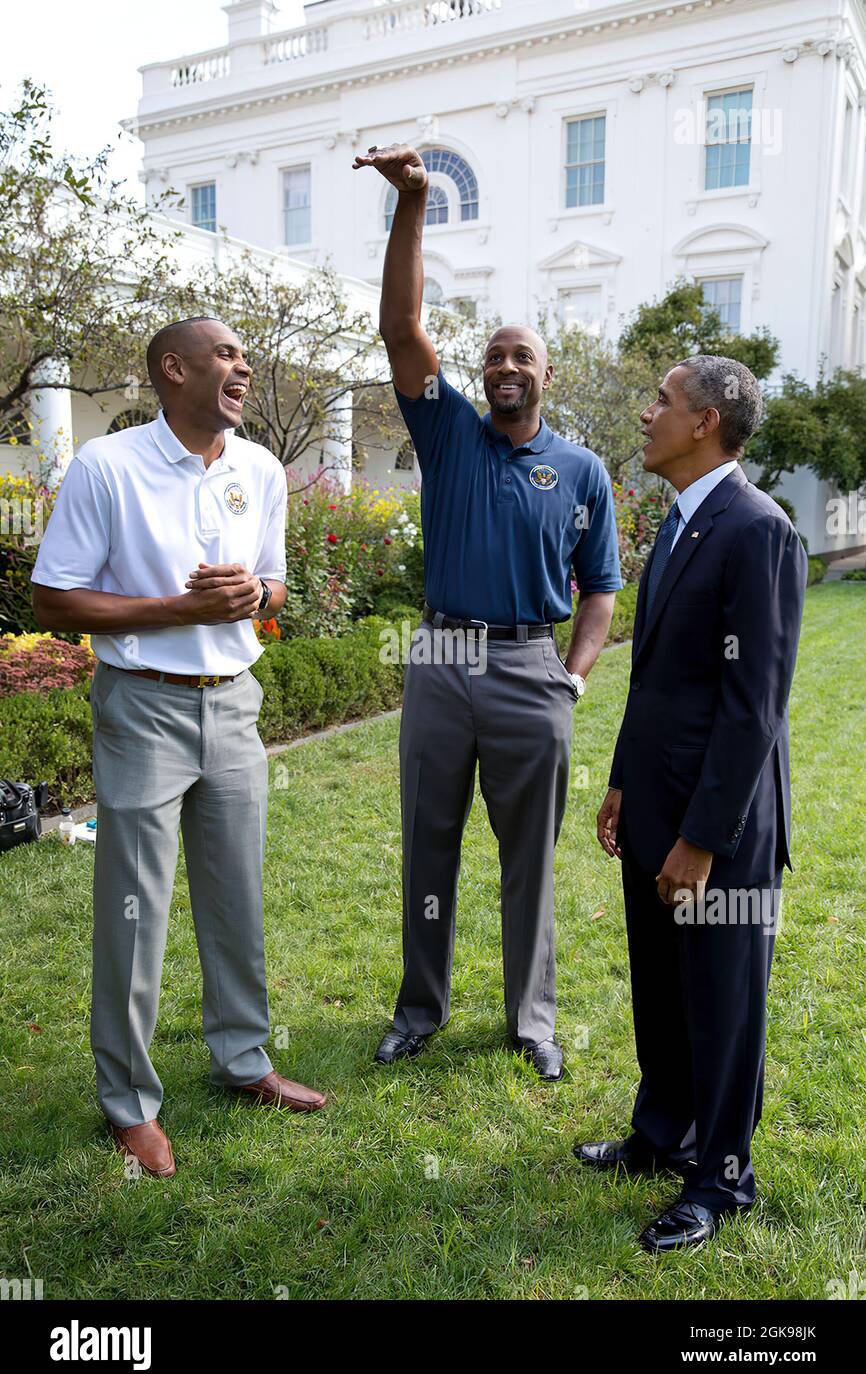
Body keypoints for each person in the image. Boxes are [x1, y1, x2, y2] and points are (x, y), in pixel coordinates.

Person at [31, 316, 326, 1180]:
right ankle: (129, 1102)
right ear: (173, 369)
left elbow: (274, 583)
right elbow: (55, 601)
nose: (245, 365)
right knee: (136, 911)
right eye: (228, 355)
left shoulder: (261, 469)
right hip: (143, 708)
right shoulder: (107, 466)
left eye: (243, 353)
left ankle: (245, 1060)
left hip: (235, 705)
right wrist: (176, 612)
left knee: (237, 896)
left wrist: (255, 592)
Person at [353, 143, 622, 1080]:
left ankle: (532, 1022)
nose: (506, 365)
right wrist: (415, 203)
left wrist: (573, 678)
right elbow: (400, 327)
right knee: (428, 843)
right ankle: (419, 1009)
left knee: (529, 863)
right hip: (439, 663)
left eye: (523, 355)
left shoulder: (584, 471)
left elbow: (602, 589)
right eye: (495, 355)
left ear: (546, 375)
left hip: (529, 670)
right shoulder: (451, 432)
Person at [582, 355, 807, 1251]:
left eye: (662, 403)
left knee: (720, 998)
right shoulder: (681, 521)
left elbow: (755, 705)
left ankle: (721, 1177)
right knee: (661, 984)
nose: (647, 415)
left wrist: (704, 839)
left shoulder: (759, 529)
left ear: (707, 421)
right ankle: (661, 1132)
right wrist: (624, 783)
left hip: (721, 825)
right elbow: (660, 681)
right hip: (655, 805)